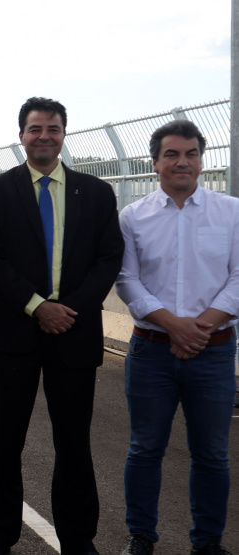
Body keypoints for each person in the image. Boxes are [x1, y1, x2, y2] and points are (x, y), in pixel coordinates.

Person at [0, 97, 124, 555]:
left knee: (74, 444)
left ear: (64, 134)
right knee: (4, 442)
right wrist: (39, 306)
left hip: (74, 333)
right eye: (35, 129)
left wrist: (67, 309)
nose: (44, 136)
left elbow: (108, 259)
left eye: (53, 129)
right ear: (21, 135)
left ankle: (78, 540)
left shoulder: (96, 193)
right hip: (14, 335)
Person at [116, 120, 237, 555]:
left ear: (202, 162)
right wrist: (175, 326)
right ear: (155, 162)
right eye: (172, 154)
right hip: (151, 351)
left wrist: (198, 328)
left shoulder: (232, 211)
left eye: (190, 154)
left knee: (212, 455)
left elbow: (238, 279)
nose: (182, 161)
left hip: (214, 353)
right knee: (145, 449)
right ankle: (141, 538)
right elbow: (127, 280)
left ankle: (207, 543)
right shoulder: (133, 216)